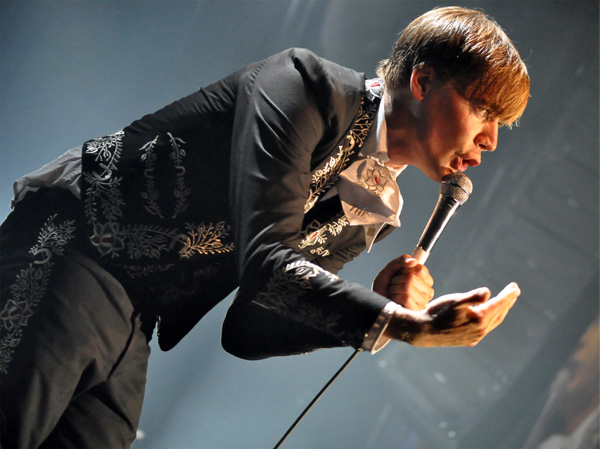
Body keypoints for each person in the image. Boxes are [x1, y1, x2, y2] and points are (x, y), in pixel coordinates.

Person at [0, 6, 529, 448]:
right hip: (79, 246)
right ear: (423, 80)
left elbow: (248, 328)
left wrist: (375, 309)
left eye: (501, 125)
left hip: (138, 315)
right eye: (484, 109)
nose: (491, 140)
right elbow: (267, 262)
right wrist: (400, 323)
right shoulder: (306, 86)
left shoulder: (373, 210)